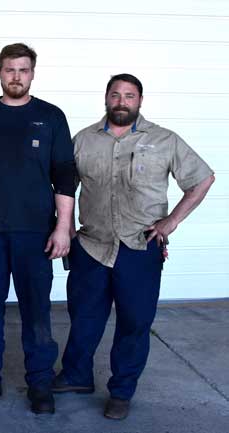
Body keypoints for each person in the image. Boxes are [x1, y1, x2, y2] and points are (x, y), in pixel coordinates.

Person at [53, 73, 215, 420]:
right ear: (106, 98)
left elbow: (203, 178)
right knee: (83, 318)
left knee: (134, 322)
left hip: (139, 248)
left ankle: (122, 391)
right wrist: (64, 228)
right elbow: (64, 187)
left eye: (129, 95)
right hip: (92, 246)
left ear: (139, 101)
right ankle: (76, 376)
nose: (121, 101)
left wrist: (171, 221)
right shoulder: (82, 140)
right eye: (116, 95)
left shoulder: (164, 140)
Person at [0, 43, 77, 414]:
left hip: (36, 234)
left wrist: (63, 228)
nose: (16, 76)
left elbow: (64, 175)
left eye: (23, 70)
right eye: (9, 69)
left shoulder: (51, 116)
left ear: (32, 74)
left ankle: (40, 383)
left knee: (37, 311)